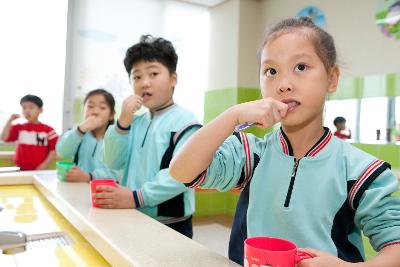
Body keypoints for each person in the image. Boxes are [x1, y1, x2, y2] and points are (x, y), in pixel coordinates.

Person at [170, 17, 400, 266]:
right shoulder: (251, 154)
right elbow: (182, 171)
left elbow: (396, 247)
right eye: (271, 71)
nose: (284, 85)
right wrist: (232, 115)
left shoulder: (361, 170)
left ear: (332, 78)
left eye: (300, 67)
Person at [97, 35, 201, 238]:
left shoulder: (186, 121)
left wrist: (137, 197)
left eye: (153, 73)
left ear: (173, 79)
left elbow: (182, 175)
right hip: (131, 212)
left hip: (171, 222)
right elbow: (111, 161)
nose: (144, 83)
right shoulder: (134, 122)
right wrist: (122, 122)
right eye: (136, 77)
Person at [56, 89, 120, 182]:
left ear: (111, 115)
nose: (95, 112)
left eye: (102, 108)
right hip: (78, 187)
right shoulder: (78, 133)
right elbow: (62, 152)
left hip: (105, 192)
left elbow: (120, 173)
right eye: (90, 106)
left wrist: (90, 176)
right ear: (83, 111)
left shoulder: (117, 139)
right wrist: (80, 130)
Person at [0, 94, 58, 170]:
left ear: (40, 110)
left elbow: (53, 150)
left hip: (39, 169)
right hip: (19, 168)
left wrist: (44, 165)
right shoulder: (19, 128)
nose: (27, 111)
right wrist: (9, 121)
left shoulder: (49, 130)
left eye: (31, 107)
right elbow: (4, 138)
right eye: (24, 108)